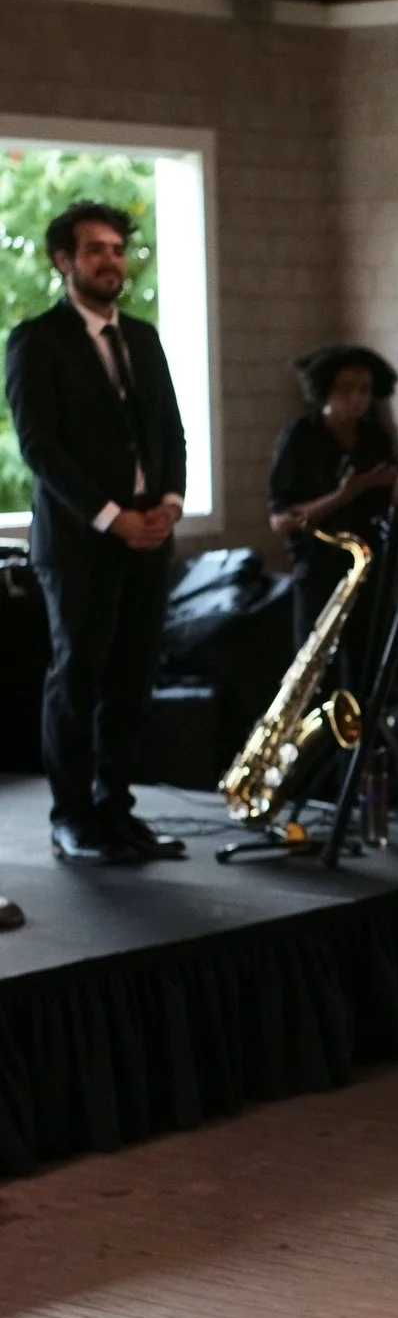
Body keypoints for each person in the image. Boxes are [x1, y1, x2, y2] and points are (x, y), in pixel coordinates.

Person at [4, 200, 187, 866]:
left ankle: (117, 810)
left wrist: (169, 503)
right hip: (81, 542)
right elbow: (41, 448)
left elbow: (170, 431)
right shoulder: (36, 340)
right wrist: (113, 516)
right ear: (64, 261)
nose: (111, 261)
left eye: (116, 249)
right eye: (95, 250)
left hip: (150, 534)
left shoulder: (141, 336)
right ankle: (72, 817)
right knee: (77, 678)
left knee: (132, 682)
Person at [267, 344, 398, 666]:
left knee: (367, 668)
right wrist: (346, 493)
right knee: (315, 669)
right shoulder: (300, 436)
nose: (357, 398)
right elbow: (280, 521)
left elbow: (389, 505)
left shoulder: (375, 437)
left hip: (368, 571)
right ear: (325, 390)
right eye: (346, 389)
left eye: (365, 390)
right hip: (318, 572)